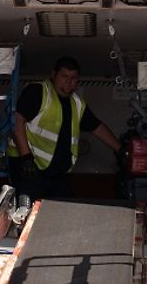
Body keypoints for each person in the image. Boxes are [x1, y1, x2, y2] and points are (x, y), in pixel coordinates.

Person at [7, 56, 122, 201]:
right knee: (30, 213)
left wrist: (121, 150)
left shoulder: (78, 104)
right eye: (64, 76)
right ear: (53, 75)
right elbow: (17, 123)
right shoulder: (38, 92)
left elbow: (97, 128)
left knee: (64, 209)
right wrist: (25, 157)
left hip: (57, 173)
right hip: (29, 168)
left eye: (73, 78)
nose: (69, 82)